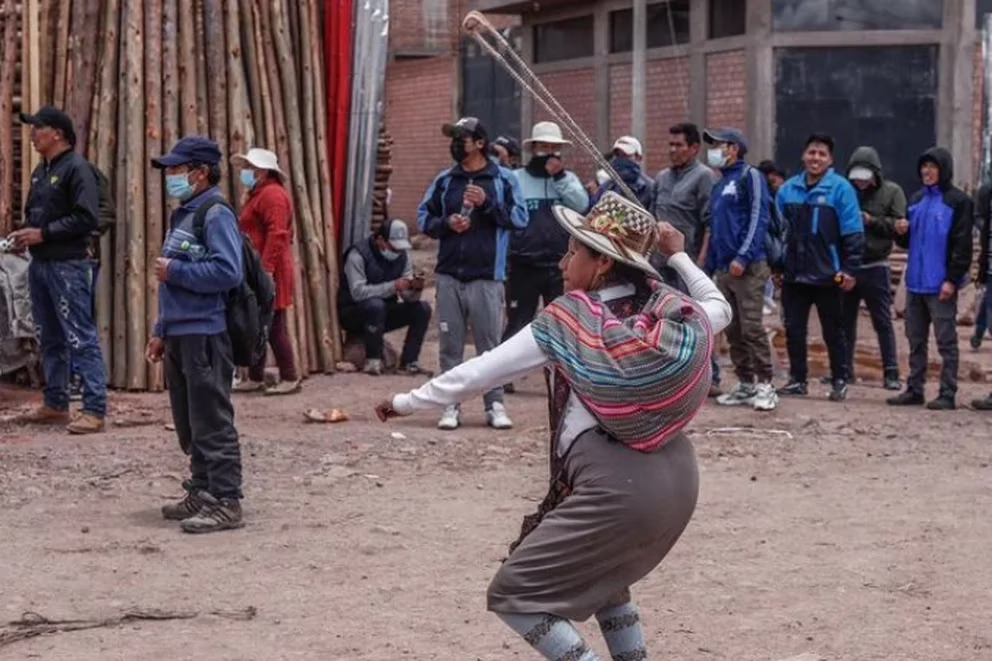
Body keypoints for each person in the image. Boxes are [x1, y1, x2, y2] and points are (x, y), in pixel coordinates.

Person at [375, 191, 731, 661]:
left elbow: (483, 371)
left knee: (514, 593)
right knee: (604, 579)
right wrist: (678, 254)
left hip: (618, 485)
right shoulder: (668, 310)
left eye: (574, 250)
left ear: (601, 264)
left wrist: (405, 401)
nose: (564, 262)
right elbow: (718, 305)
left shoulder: (569, 320)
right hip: (678, 476)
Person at [146, 136, 246, 534]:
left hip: (205, 334)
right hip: (181, 333)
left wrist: (176, 272)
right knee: (189, 421)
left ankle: (227, 500)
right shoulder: (184, 214)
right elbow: (172, 285)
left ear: (200, 172)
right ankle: (202, 491)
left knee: (211, 420)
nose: (171, 176)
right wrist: (160, 330)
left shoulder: (215, 213)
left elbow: (228, 271)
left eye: (176, 169)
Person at [417, 116, 528, 430]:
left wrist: (488, 202)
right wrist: (447, 225)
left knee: (489, 347)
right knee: (450, 346)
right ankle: (451, 405)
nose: (455, 144)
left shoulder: (504, 179)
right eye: (453, 138)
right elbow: (424, 216)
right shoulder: (445, 180)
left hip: (487, 276)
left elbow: (519, 219)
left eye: (461, 138)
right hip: (449, 274)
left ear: (480, 143)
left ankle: (494, 405)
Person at [9, 106, 107, 435]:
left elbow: (87, 217)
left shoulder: (77, 170)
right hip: (40, 263)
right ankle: (55, 403)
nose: (33, 134)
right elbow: (37, 215)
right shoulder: (40, 172)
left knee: (80, 335)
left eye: (39, 128)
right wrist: (24, 235)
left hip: (68, 265)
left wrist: (44, 234)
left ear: (58, 134)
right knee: (49, 337)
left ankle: (94, 409)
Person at [776, 133, 864, 402]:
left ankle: (839, 379)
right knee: (793, 329)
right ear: (803, 156)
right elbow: (777, 233)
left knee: (834, 331)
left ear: (830, 160)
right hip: (794, 275)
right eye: (811, 152)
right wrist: (777, 267)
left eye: (821, 154)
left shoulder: (841, 189)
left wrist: (850, 270)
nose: (816, 158)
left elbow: (853, 232)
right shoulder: (787, 190)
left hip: (829, 275)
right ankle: (797, 379)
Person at [502, 121, 588, 394]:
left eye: (554, 148)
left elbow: (581, 205)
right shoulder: (516, 179)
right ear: (533, 149)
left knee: (562, 323)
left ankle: (563, 377)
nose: (549, 152)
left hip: (560, 266)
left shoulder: (567, 179)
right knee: (518, 321)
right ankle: (504, 375)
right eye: (543, 147)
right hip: (524, 263)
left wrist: (560, 177)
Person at [887, 147, 972, 410]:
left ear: (944, 169)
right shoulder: (916, 200)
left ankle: (947, 392)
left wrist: (952, 279)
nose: (927, 171)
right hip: (915, 282)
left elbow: (962, 244)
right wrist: (900, 231)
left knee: (946, 341)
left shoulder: (958, 202)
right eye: (924, 166)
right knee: (915, 340)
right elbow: (907, 242)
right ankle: (915, 389)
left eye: (933, 166)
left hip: (940, 284)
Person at [702, 127, 777, 411]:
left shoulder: (750, 177)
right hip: (723, 270)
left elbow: (759, 217)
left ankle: (766, 385)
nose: (714, 150)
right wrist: (709, 268)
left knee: (752, 327)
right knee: (732, 329)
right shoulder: (720, 184)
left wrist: (743, 257)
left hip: (748, 267)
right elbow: (715, 228)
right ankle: (745, 383)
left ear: (734, 148)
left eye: (719, 145)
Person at [651, 122, 722, 396]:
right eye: (670, 144)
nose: (673, 150)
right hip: (659, 263)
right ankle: (671, 377)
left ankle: (710, 377)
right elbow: (653, 216)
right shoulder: (661, 178)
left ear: (694, 148)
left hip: (687, 262)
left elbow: (709, 223)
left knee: (694, 320)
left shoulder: (705, 177)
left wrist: (700, 263)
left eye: (679, 145)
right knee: (663, 321)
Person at [229, 148, 300, 395]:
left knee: (274, 324)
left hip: (271, 269)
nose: (245, 172)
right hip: (260, 268)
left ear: (261, 170)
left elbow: (278, 233)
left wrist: (267, 270)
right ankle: (256, 376)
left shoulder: (272, 195)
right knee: (259, 322)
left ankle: (290, 376)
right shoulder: (259, 194)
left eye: (249, 167)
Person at [842, 147, 906, 391]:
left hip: (876, 266)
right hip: (849, 266)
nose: (859, 182)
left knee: (882, 322)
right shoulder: (845, 191)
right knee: (844, 322)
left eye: (864, 177)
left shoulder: (892, 192)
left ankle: (891, 372)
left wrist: (872, 221)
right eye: (855, 176)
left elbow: (899, 227)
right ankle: (844, 371)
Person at [338, 219, 432, 376]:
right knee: (376, 305)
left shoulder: (403, 257)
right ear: (380, 240)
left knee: (422, 309)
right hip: (353, 312)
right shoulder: (358, 254)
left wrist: (414, 289)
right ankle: (373, 361)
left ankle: (409, 362)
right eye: (393, 247)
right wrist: (393, 286)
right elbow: (358, 293)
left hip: (383, 312)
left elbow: (407, 298)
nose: (397, 252)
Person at [590, 136, 654, 210]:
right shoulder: (606, 188)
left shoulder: (650, 189)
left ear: (638, 158)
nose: (621, 160)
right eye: (618, 155)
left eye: (625, 155)